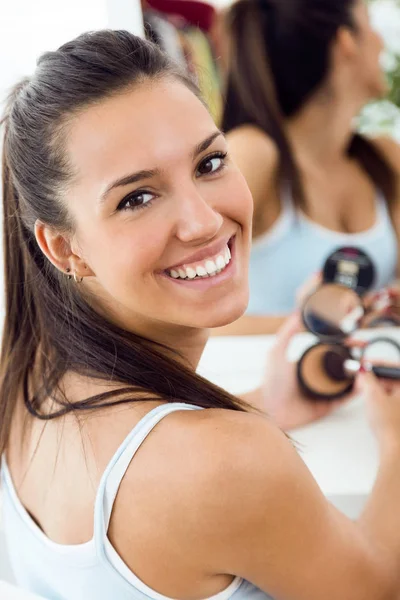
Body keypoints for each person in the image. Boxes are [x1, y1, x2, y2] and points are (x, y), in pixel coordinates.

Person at [1, 29, 400, 600]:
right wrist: (396, 443)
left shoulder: (24, 376)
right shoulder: (226, 463)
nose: (204, 221)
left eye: (210, 163)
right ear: (64, 247)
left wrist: (264, 402)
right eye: (136, 198)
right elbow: (380, 590)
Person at [215, 0, 400, 335]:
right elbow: (179, 321)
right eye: (370, 23)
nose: (382, 41)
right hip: (258, 382)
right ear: (347, 42)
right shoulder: (254, 154)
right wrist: (317, 325)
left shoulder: (384, 158)